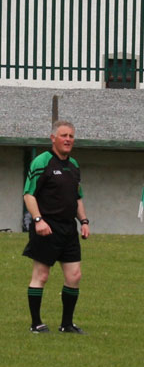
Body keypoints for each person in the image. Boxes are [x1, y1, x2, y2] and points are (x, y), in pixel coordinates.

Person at [23, 120, 90, 334]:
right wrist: (38, 220)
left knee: (75, 276)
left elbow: (77, 197)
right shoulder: (42, 162)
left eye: (71, 136)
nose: (68, 139)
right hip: (46, 227)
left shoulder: (74, 166)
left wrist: (84, 221)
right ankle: (36, 324)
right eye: (64, 135)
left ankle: (67, 324)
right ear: (53, 138)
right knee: (41, 276)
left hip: (68, 229)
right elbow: (28, 194)